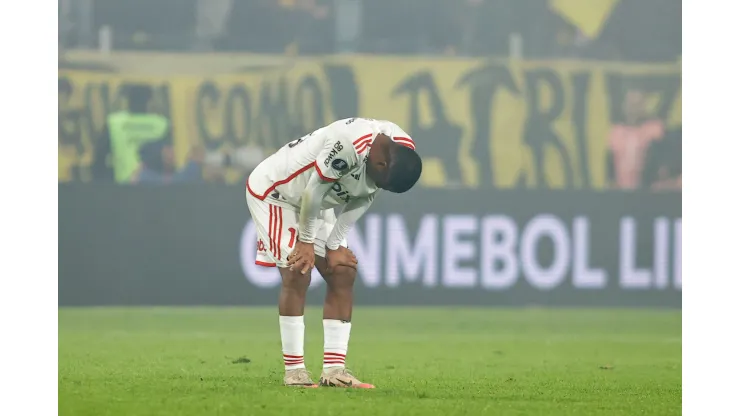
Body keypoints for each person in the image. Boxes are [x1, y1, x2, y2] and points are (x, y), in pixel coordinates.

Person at [245, 117, 422, 388]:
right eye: (382, 181)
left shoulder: (402, 150)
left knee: (342, 272)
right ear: (380, 164)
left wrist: (335, 244)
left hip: (320, 198)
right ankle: (295, 372)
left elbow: (366, 195)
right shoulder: (349, 143)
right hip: (278, 193)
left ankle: (334, 371)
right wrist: (305, 242)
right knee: (298, 271)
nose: (379, 188)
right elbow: (312, 191)